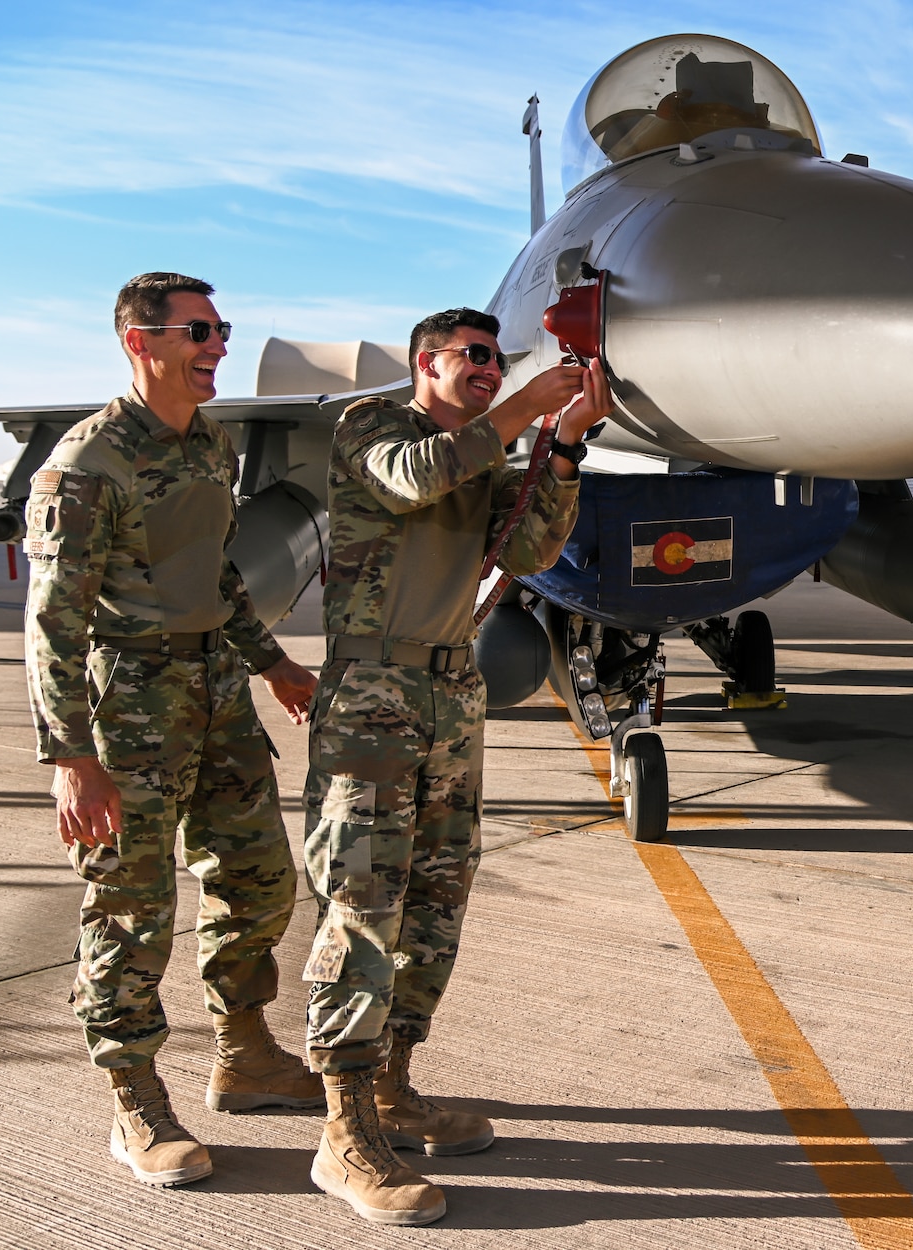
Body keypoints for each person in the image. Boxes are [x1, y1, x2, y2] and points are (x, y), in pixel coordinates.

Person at [300, 307, 609, 1225]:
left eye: (497, 357)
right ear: (425, 364)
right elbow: (409, 481)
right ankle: (343, 1128)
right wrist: (520, 412)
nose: (490, 368)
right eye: (474, 357)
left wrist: (563, 450)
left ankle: (393, 1084)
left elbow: (526, 553)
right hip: (373, 693)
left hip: (449, 692)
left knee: (436, 900)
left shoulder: (483, 456)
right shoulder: (376, 428)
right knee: (361, 905)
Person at [25, 272, 323, 1188]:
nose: (218, 346)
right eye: (199, 331)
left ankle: (244, 1054)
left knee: (261, 880)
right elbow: (53, 621)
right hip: (128, 707)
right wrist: (72, 757)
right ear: (139, 342)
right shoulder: (88, 466)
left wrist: (270, 662)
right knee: (131, 908)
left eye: (221, 329)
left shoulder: (211, 446)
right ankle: (135, 1099)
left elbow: (220, 574)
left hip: (216, 690)